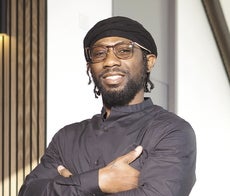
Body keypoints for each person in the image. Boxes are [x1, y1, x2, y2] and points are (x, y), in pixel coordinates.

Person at [18, 16, 196, 196]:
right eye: (99, 53)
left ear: (148, 61)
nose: (110, 61)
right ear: (90, 67)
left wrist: (72, 186)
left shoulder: (171, 132)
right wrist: (100, 179)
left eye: (124, 50)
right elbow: (28, 193)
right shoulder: (66, 138)